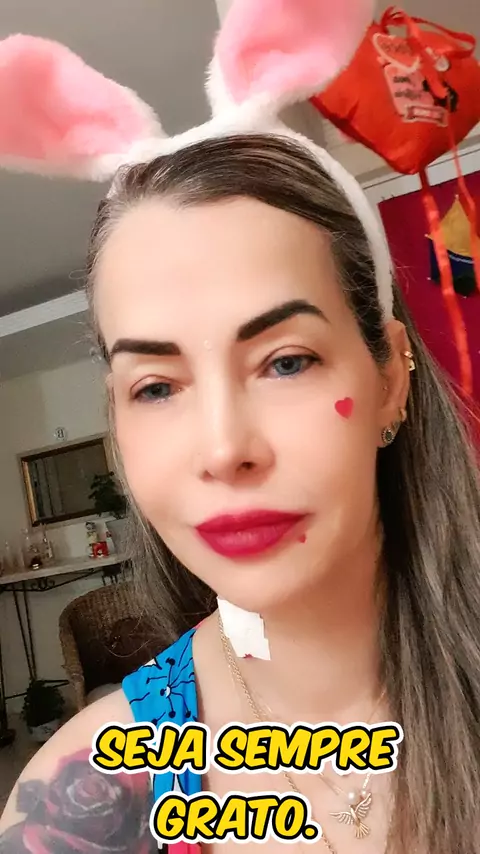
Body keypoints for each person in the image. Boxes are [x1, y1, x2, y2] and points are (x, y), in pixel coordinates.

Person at [1, 3, 480, 853]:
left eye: (286, 362)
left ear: (388, 377)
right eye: (156, 386)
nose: (225, 449)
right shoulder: (77, 805)